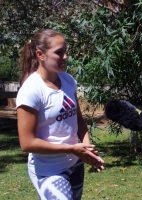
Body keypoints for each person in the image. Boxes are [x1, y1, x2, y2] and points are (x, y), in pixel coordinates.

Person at [16, 29, 105, 200]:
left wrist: (87, 149)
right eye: (59, 52)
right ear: (40, 54)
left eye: (65, 52)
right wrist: (73, 149)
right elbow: (27, 143)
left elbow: (78, 119)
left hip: (75, 164)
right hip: (48, 171)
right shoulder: (31, 90)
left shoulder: (68, 80)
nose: (65, 57)